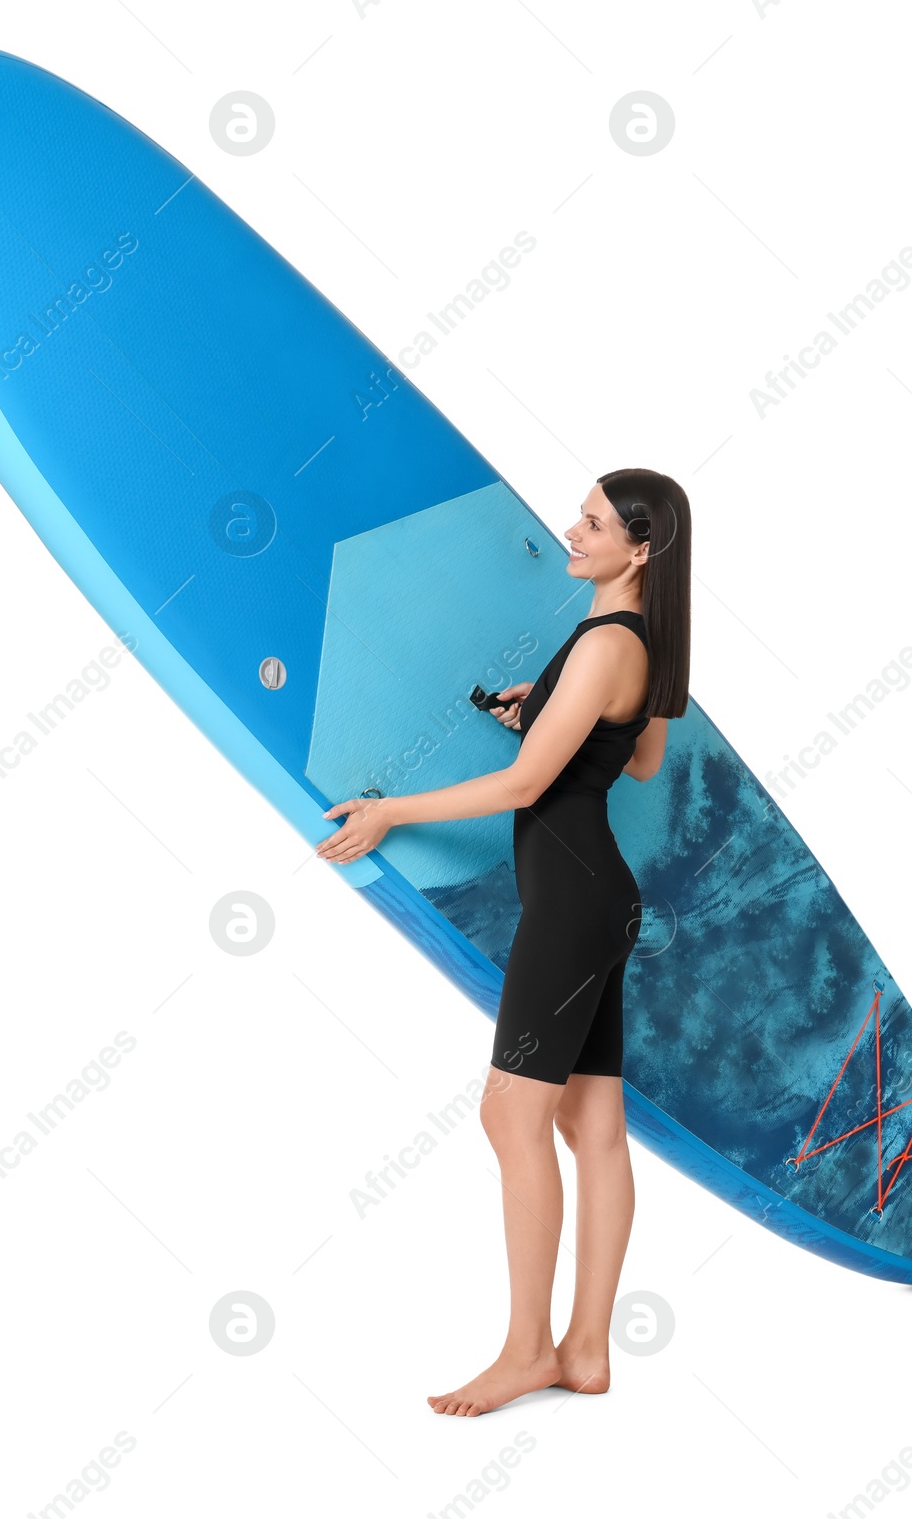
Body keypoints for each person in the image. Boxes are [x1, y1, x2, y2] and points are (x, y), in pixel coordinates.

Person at [315, 468, 692, 1417]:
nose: (574, 527)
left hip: (570, 907)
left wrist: (390, 810)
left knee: (512, 1117)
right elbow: (637, 757)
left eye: (595, 522)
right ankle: (587, 1351)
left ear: (639, 549)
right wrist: (552, 705)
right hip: (601, 897)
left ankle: (528, 1350)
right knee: (591, 1127)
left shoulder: (607, 641)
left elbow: (528, 787)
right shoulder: (635, 641)